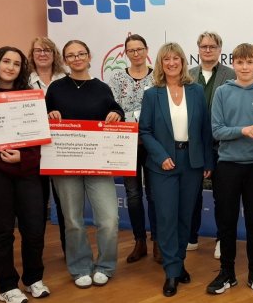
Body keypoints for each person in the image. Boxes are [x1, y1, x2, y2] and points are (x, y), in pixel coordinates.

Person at [0, 47, 49, 303]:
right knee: (2, 229)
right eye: (6, 61)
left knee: (34, 227)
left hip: (26, 170)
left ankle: (33, 278)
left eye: (16, 63)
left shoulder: (31, 97)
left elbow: (39, 140)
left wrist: (22, 158)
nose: (11, 67)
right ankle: (6, 286)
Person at [46, 40, 124, 289]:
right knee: (73, 220)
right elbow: (41, 119)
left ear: (89, 56)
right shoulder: (56, 88)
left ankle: (105, 265)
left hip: (98, 164)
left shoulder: (102, 88)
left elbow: (116, 111)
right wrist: (49, 115)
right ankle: (80, 266)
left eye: (81, 54)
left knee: (109, 220)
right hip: (65, 164)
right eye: (71, 55)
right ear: (65, 60)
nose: (77, 58)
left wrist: (117, 114)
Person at [139, 42, 213, 297]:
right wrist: (160, 156)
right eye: (166, 59)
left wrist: (207, 162)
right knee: (167, 217)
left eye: (176, 59)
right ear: (161, 64)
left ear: (183, 62)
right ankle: (171, 271)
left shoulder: (196, 91)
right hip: (163, 164)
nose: (171, 63)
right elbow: (145, 131)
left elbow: (204, 129)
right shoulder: (152, 94)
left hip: (192, 162)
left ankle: (178, 263)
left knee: (185, 217)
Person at [206, 43, 253, 297]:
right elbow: (217, 131)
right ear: (232, 64)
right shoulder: (222, 92)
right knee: (227, 222)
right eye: (240, 62)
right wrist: (243, 130)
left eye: (249, 62)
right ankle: (227, 273)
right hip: (228, 166)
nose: (245, 67)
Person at [108, 34, 159, 264]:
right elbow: (112, 108)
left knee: (155, 194)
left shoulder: (158, 77)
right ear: (126, 53)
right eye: (131, 50)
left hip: (153, 144)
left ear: (147, 50)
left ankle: (158, 240)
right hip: (126, 145)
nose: (136, 53)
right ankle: (139, 241)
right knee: (133, 194)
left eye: (140, 49)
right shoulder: (117, 78)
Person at [187, 31, 235, 259]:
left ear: (220, 50)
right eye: (204, 46)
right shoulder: (188, 75)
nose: (208, 50)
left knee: (222, 197)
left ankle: (221, 239)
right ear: (198, 49)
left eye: (212, 46)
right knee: (192, 194)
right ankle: (191, 236)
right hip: (194, 146)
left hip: (221, 145)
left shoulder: (231, 75)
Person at [26, 37, 68, 258]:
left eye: (47, 50)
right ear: (32, 55)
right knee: (37, 203)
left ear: (54, 54)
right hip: (34, 150)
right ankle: (36, 254)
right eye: (38, 50)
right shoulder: (24, 81)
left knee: (64, 202)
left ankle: (69, 249)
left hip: (61, 147)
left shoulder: (66, 79)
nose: (42, 54)